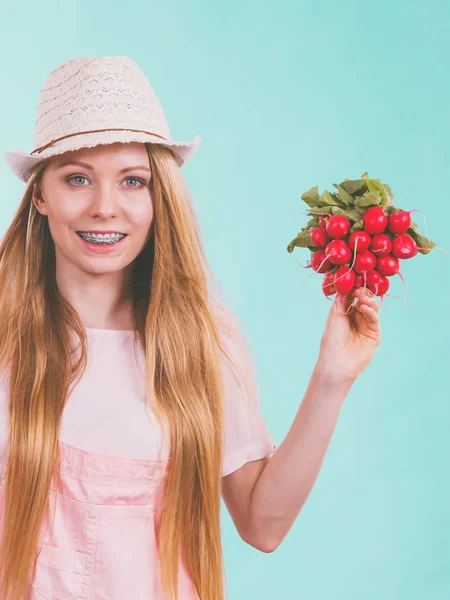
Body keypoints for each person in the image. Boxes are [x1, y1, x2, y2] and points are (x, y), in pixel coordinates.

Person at [0, 55, 381, 600]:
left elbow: (262, 525)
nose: (106, 207)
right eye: (78, 178)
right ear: (40, 195)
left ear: (161, 199)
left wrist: (333, 378)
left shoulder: (202, 342)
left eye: (133, 181)